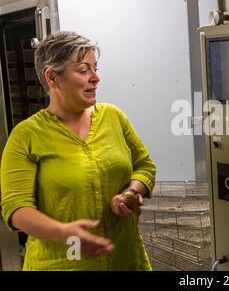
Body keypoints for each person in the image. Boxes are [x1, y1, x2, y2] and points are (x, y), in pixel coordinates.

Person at [0, 31, 156, 270]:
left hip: (125, 260)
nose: (95, 78)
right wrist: (64, 233)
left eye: (96, 68)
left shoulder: (113, 117)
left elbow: (144, 166)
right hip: (61, 264)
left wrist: (132, 191)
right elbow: (16, 209)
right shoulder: (26, 136)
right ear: (53, 78)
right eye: (84, 70)